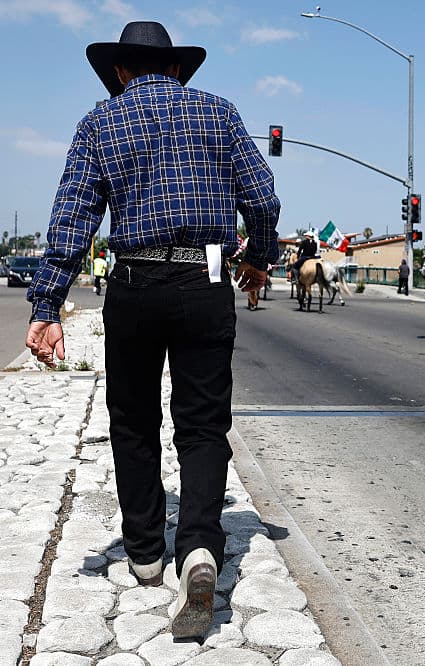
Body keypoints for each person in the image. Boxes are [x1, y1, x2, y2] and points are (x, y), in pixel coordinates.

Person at [25, 21, 279, 640]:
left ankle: (143, 551)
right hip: (206, 285)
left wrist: (47, 307)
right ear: (175, 70)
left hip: (135, 288)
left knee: (133, 419)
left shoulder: (100, 122)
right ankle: (198, 550)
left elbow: (72, 216)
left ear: (119, 70)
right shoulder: (219, 113)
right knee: (201, 423)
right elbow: (263, 199)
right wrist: (258, 258)